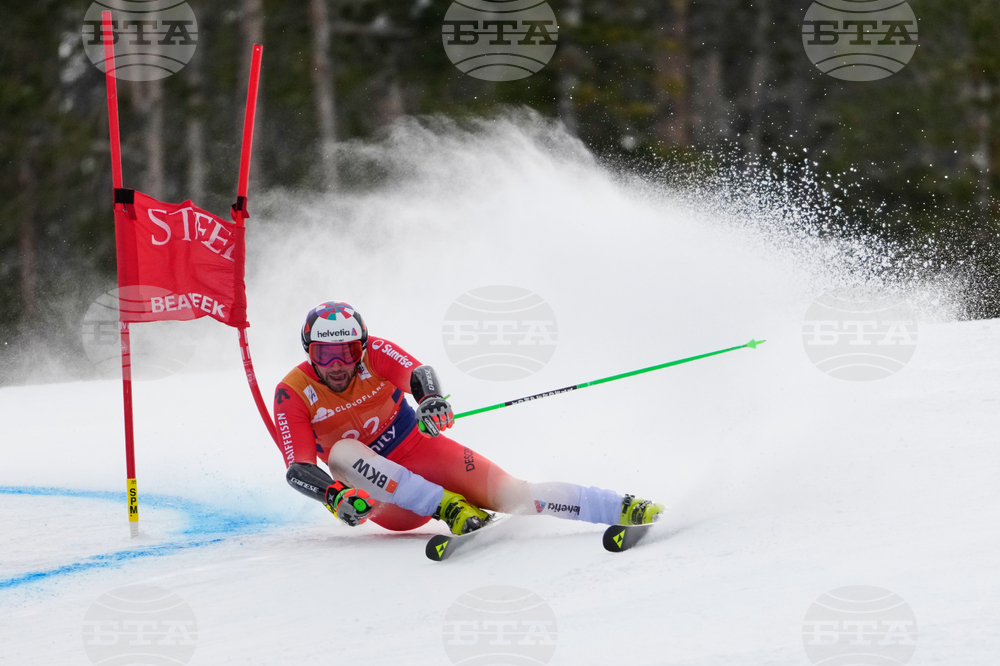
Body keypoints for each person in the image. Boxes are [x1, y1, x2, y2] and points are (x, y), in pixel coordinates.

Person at [274, 300, 663, 535]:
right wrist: (333, 495)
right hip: (388, 501)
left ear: (361, 347)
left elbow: (418, 373)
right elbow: (298, 468)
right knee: (342, 452)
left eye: (348, 351)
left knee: (515, 494)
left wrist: (430, 400)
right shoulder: (292, 392)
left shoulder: (374, 354)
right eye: (324, 354)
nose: (338, 364)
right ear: (309, 352)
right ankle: (447, 506)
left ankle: (620, 506)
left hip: (423, 452)